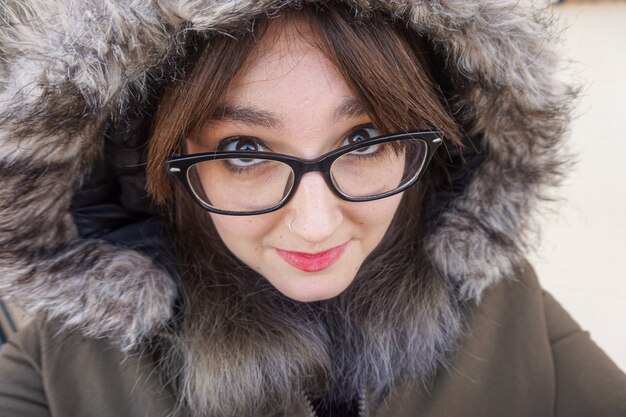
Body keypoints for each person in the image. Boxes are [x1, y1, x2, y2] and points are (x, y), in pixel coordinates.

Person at [0, 1, 624, 417]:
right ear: (158, 157)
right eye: (244, 151)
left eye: (362, 141)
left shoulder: (502, 303)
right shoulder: (62, 358)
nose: (317, 222)